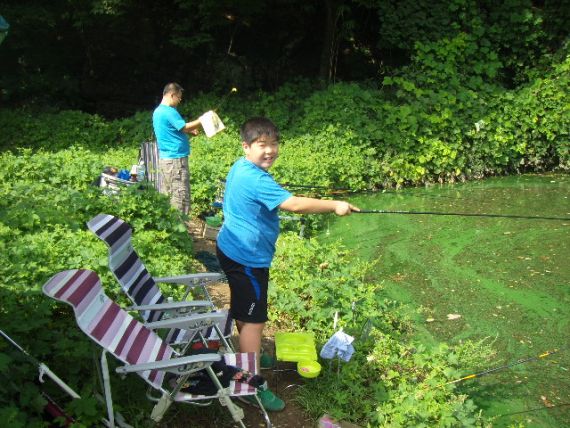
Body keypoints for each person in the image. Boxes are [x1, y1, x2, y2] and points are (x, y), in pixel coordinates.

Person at [216, 117, 359, 411]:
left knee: (245, 309)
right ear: (246, 146)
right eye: (261, 145)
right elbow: (293, 204)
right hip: (247, 259)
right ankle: (250, 385)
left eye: (273, 144)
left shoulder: (242, 167)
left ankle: (249, 352)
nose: (269, 150)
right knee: (255, 319)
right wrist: (334, 205)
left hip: (230, 249)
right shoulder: (255, 178)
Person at [152, 82, 201, 215]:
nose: (180, 100)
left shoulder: (158, 111)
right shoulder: (169, 111)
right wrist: (202, 119)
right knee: (180, 196)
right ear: (172, 95)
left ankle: (170, 228)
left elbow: (172, 129)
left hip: (167, 159)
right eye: (179, 97)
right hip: (176, 161)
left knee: (168, 193)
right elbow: (184, 127)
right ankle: (181, 228)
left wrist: (190, 131)